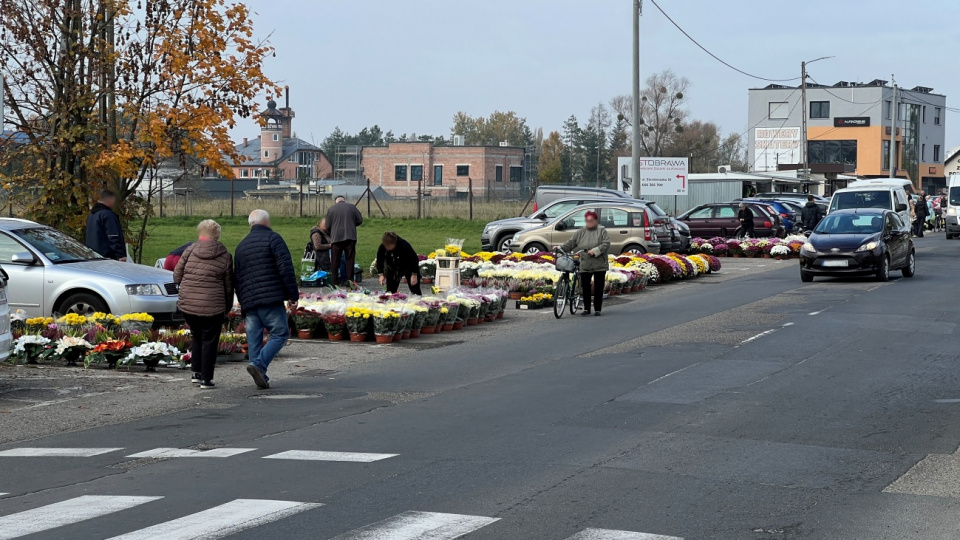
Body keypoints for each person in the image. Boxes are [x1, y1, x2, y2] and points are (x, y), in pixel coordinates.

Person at [234, 209, 299, 389]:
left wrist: (242, 300)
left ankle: (260, 374)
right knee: (280, 333)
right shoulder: (273, 239)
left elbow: (236, 277)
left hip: (249, 301)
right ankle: (259, 366)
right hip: (270, 298)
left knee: (254, 338)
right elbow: (285, 268)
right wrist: (293, 295)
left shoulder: (241, 246)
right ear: (267, 222)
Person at [173, 220, 233, 389]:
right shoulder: (225, 256)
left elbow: (177, 276)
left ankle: (196, 373)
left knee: (196, 336)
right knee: (210, 341)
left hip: (189, 304)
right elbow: (228, 286)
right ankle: (207, 379)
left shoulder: (189, 250)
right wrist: (227, 307)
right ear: (217, 235)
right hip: (213, 306)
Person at [559, 211, 610, 317]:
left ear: (595, 221)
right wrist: (560, 248)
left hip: (599, 263)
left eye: (591, 220)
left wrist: (595, 251)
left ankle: (597, 309)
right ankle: (587, 308)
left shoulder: (602, 231)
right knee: (585, 285)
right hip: (585, 262)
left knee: (598, 287)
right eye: (587, 220)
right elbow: (571, 242)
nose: (589, 222)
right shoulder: (581, 232)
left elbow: (606, 244)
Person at [325, 195, 363, 285]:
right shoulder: (352, 207)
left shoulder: (331, 209)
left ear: (336, 202)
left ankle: (335, 282)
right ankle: (349, 282)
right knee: (349, 260)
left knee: (335, 261)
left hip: (336, 238)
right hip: (350, 237)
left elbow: (327, 226)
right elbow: (360, 220)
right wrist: (352, 224)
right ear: (344, 201)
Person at [85, 189, 126, 261]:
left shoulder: (92, 214)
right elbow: (113, 236)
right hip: (107, 257)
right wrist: (120, 255)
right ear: (110, 200)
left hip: (92, 255)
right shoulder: (107, 215)